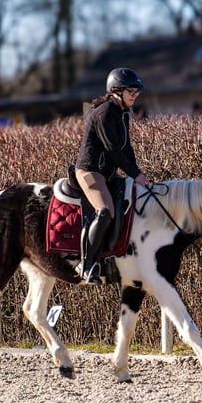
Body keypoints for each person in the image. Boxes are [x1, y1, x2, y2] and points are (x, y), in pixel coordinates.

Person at [75, 67, 152, 284]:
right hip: (90, 171)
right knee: (105, 212)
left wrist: (138, 174)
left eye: (137, 91)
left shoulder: (121, 113)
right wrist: (135, 174)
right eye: (131, 91)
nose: (135, 95)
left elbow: (126, 149)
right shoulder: (105, 113)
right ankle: (87, 264)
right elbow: (113, 150)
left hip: (107, 174)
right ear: (116, 91)